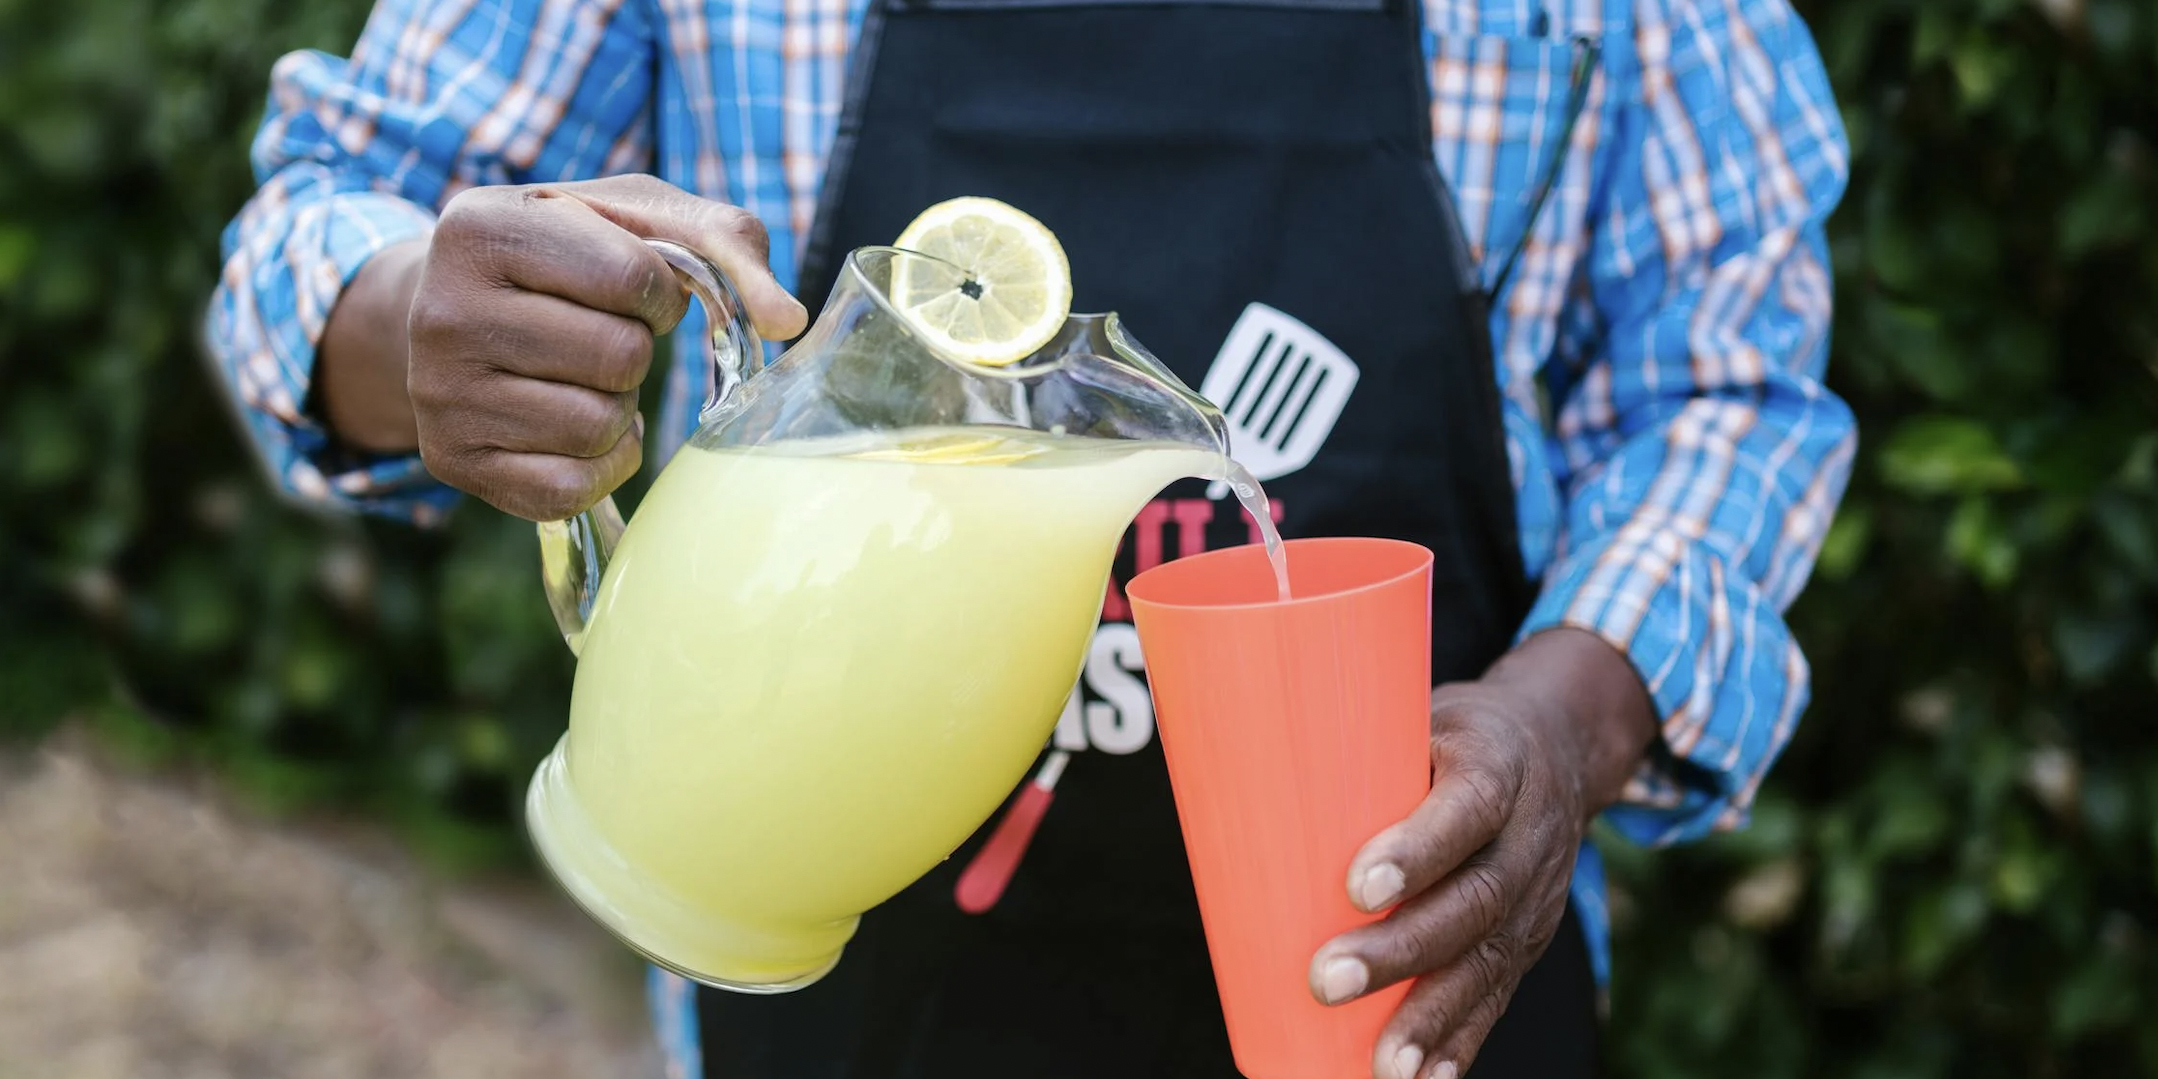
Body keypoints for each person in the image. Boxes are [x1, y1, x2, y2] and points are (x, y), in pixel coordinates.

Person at [206, 0, 1853, 1074]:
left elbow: (1722, 397)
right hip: (837, 1004)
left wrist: (1562, 729)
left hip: (1412, 981)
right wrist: (426, 312)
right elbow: (332, 215)